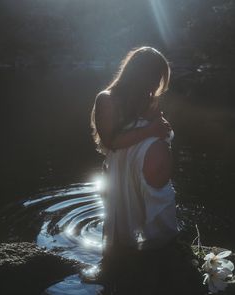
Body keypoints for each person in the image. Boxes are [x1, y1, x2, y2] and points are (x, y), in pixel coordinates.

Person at [86, 47, 204, 294]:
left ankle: (158, 246)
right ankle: (117, 263)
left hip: (149, 177)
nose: (156, 83)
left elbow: (160, 129)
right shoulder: (106, 98)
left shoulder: (148, 99)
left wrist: (161, 129)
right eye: (154, 75)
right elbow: (111, 142)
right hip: (121, 166)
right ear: (139, 72)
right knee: (123, 223)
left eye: (159, 77)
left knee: (154, 219)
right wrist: (152, 131)